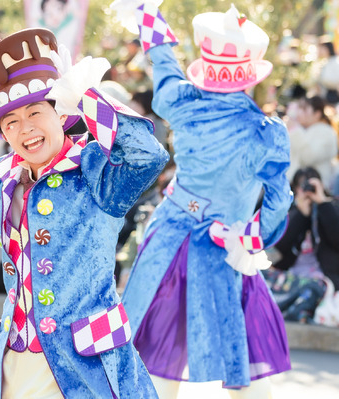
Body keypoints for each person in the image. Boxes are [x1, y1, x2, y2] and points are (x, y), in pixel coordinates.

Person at [0, 28, 168, 398]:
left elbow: (148, 156)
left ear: (60, 113)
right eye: (10, 122)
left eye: (35, 112)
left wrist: (88, 97)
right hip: (15, 357)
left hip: (86, 363)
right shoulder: (2, 180)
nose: (25, 128)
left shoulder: (94, 170)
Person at [111, 1, 293, 397]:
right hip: (223, 244)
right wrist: (252, 238)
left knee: (156, 344)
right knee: (236, 350)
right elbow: (280, 201)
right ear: (249, 76)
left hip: (169, 234)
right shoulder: (263, 133)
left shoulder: (181, 102)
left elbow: (163, 62)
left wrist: (147, 14)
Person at [263, 167, 339, 322]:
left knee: (311, 289)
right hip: (291, 277)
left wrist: (323, 204)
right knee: (260, 278)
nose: (307, 191)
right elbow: (276, 251)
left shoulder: (331, 208)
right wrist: (300, 215)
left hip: (321, 281)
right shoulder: (287, 212)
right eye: (302, 186)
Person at [286, 95, 338, 189]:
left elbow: (308, 157)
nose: (299, 112)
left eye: (304, 109)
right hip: (296, 187)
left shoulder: (325, 132)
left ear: (317, 113)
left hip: (313, 189)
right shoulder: (302, 129)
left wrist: (295, 131)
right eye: (299, 108)